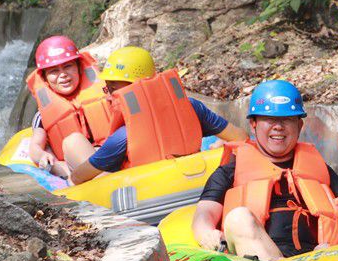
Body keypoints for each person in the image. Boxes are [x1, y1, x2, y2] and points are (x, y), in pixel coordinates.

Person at [191, 80, 338, 261]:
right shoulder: (229, 172)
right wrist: (207, 234)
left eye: (287, 119)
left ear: (299, 126)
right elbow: (204, 215)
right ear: (253, 124)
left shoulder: (319, 168)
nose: (278, 126)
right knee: (238, 218)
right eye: (269, 119)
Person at [68, 46, 247, 184]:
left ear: (135, 88)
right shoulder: (192, 106)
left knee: (72, 142)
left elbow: (78, 178)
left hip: (144, 191)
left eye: (112, 88)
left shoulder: (125, 136)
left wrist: (70, 179)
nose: (108, 96)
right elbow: (240, 137)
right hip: (193, 180)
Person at [26, 35, 114, 176]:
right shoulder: (41, 116)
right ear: (45, 78)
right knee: (73, 141)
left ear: (79, 68)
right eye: (54, 71)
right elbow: (35, 146)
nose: (63, 75)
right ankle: (99, 178)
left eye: (68, 66)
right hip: (77, 165)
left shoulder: (106, 94)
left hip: (110, 155)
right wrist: (42, 155)